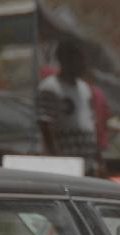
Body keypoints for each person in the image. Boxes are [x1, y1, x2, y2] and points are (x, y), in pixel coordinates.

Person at [37, 36, 101, 176]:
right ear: (64, 59)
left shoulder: (84, 89)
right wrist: (60, 162)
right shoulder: (51, 88)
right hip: (67, 168)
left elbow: (92, 125)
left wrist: (98, 161)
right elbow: (46, 127)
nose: (82, 64)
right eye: (77, 59)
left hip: (88, 166)